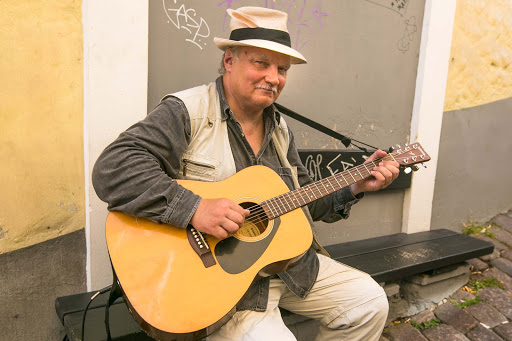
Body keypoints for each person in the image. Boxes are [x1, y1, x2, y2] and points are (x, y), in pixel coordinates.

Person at [92, 6, 399, 341]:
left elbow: (306, 203)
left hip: (286, 268)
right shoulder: (187, 111)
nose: (274, 77)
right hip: (220, 286)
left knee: (369, 303)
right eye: (261, 63)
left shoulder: (279, 129)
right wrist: (194, 208)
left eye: (282, 69)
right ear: (229, 61)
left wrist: (354, 185)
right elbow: (113, 168)